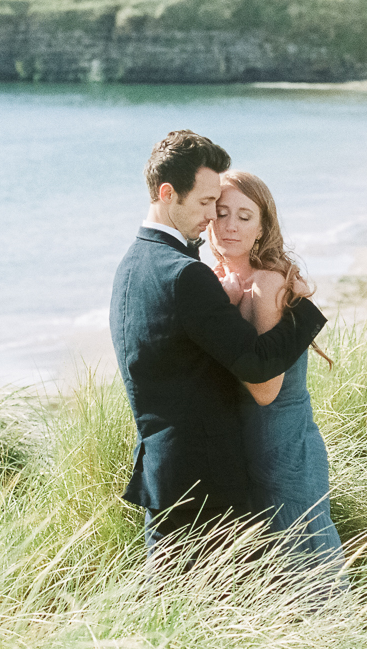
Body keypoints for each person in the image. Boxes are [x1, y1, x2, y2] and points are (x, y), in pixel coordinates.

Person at [110, 130, 327, 559]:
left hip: (167, 470)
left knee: (180, 614)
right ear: (169, 193)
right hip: (201, 479)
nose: (215, 219)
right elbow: (257, 367)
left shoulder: (133, 261)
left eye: (238, 214)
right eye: (210, 204)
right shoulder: (187, 275)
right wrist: (305, 313)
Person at [207, 170, 346, 575]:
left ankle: (341, 638)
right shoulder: (227, 282)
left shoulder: (264, 285)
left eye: (245, 216)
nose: (230, 225)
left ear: (262, 227)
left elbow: (266, 389)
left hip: (283, 448)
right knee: (275, 575)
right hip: (250, 446)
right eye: (221, 212)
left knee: (309, 567)